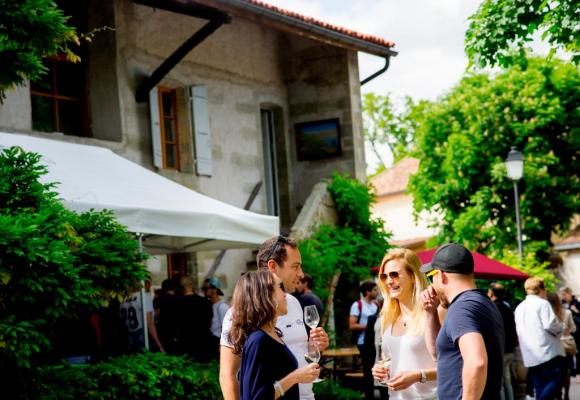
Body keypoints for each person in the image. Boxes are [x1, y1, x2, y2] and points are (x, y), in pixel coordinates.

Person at [219, 235, 329, 400]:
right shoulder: (239, 313)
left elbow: (295, 353)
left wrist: (315, 346)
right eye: (295, 266)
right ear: (273, 266)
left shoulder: (293, 302)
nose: (301, 274)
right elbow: (228, 375)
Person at [420, 242, 504, 400]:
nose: (432, 284)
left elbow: (477, 361)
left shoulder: (461, 308)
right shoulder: (481, 302)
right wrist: (430, 312)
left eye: (432, 278)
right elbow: (438, 354)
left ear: (441, 275)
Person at [229, 270, 320, 400]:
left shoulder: (272, 334)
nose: (285, 294)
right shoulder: (259, 340)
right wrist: (296, 377)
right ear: (266, 296)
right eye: (280, 288)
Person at [371, 248, 437, 400]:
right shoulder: (387, 319)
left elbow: (454, 365)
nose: (388, 281)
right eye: (384, 276)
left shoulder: (433, 312)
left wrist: (418, 375)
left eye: (394, 274)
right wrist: (379, 372)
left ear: (413, 276)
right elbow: (387, 362)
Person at [514, 277, 565, 400]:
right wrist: (561, 328)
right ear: (541, 289)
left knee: (539, 386)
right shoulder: (543, 303)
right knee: (557, 379)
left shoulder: (519, 307)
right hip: (548, 351)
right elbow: (550, 325)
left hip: (530, 354)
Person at [349, 280, 379, 400]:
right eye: (375, 290)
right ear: (368, 292)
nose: (377, 292)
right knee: (368, 369)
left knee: (376, 368)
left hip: (375, 341)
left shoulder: (375, 305)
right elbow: (352, 325)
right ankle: (369, 395)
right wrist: (371, 325)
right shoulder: (357, 305)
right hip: (363, 342)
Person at [488, 282, 517, 400]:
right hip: (509, 350)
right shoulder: (507, 308)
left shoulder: (491, 308)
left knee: (498, 382)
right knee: (507, 379)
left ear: (492, 293)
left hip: (500, 351)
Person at [120, 282, 165, 353]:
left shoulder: (124, 299)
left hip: (129, 336)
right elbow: (149, 323)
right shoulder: (144, 296)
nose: (149, 285)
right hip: (142, 335)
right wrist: (160, 345)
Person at [547, 291, 576, 400]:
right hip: (565, 346)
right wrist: (567, 330)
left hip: (551, 347)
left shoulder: (546, 314)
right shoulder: (567, 312)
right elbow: (573, 328)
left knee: (554, 373)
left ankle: (557, 394)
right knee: (566, 372)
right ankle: (566, 394)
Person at [178, 275, 214, 361]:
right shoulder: (206, 302)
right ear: (192, 285)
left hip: (185, 342)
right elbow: (209, 322)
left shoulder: (177, 303)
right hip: (203, 341)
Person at [202, 277, 230, 345]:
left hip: (217, 342)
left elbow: (226, 329)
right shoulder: (207, 305)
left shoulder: (222, 307)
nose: (204, 291)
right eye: (203, 289)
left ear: (214, 289)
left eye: (206, 288)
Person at [560, 287, 580, 376]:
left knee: (578, 351)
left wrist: (576, 311)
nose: (563, 296)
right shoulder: (561, 304)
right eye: (562, 294)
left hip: (577, 330)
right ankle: (571, 370)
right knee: (568, 353)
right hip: (566, 332)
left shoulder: (576, 303)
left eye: (564, 294)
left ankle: (578, 371)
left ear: (569, 293)